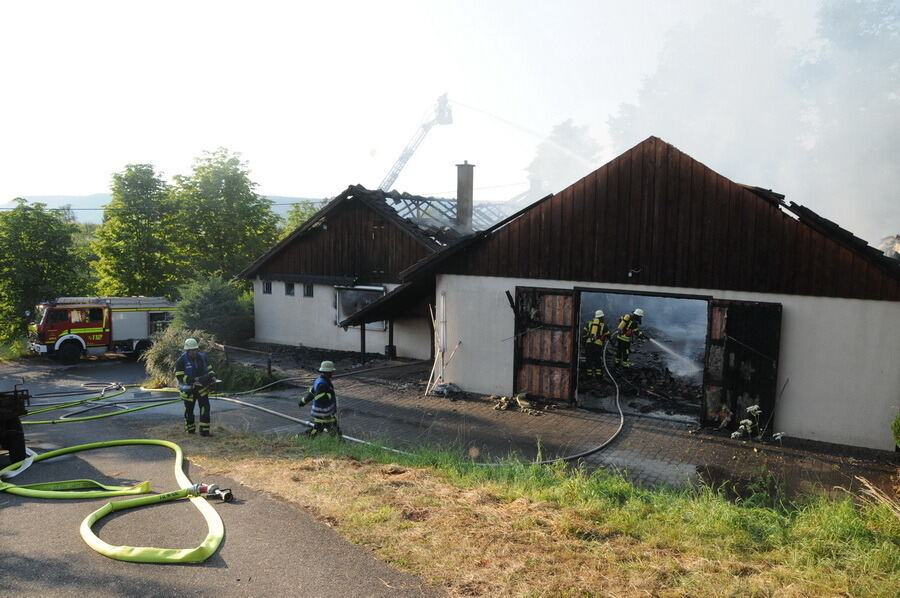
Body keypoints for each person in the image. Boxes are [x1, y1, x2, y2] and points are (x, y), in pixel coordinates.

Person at [174, 338, 216, 436]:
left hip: (202, 389)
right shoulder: (181, 360)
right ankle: (190, 430)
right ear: (187, 351)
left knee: (205, 408)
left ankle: (204, 432)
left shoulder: (203, 357)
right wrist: (192, 380)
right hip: (188, 391)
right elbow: (179, 376)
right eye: (192, 350)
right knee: (189, 411)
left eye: (196, 350)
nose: (195, 352)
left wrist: (213, 376)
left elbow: (210, 370)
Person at [299, 360, 341, 438]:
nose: (332, 373)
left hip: (326, 414)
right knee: (316, 432)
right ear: (327, 372)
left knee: (333, 433)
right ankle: (298, 439)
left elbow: (311, 393)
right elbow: (320, 398)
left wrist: (303, 401)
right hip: (324, 415)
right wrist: (329, 394)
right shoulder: (323, 384)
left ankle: (340, 444)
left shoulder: (318, 381)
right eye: (331, 371)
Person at [584, 309, 609, 379]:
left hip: (589, 344)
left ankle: (589, 376)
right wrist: (612, 343)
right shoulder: (604, 325)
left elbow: (584, 334)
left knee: (589, 360)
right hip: (597, 345)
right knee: (598, 360)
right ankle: (599, 376)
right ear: (601, 317)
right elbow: (608, 335)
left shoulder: (589, 323)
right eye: (602, 317)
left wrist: (584, 345)